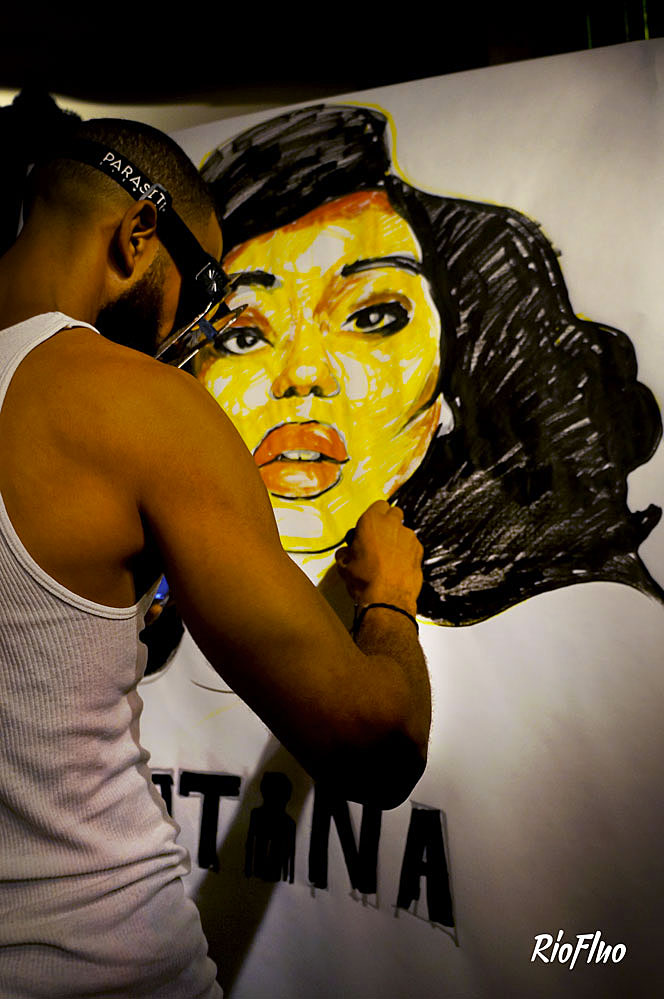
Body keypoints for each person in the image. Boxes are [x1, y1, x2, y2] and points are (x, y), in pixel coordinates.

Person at [0, 109, 432, 998]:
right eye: (210, 296)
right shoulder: (137, 404)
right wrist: (389, 594)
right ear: (137, 235)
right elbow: (374, 745)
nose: (188, 330)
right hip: (106, 967)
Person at [199, 104, 664, 625]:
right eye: (242, 336)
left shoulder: (574, 616)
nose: (304, 374)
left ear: (452, 365)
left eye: (371, 317)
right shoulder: (180, 618)